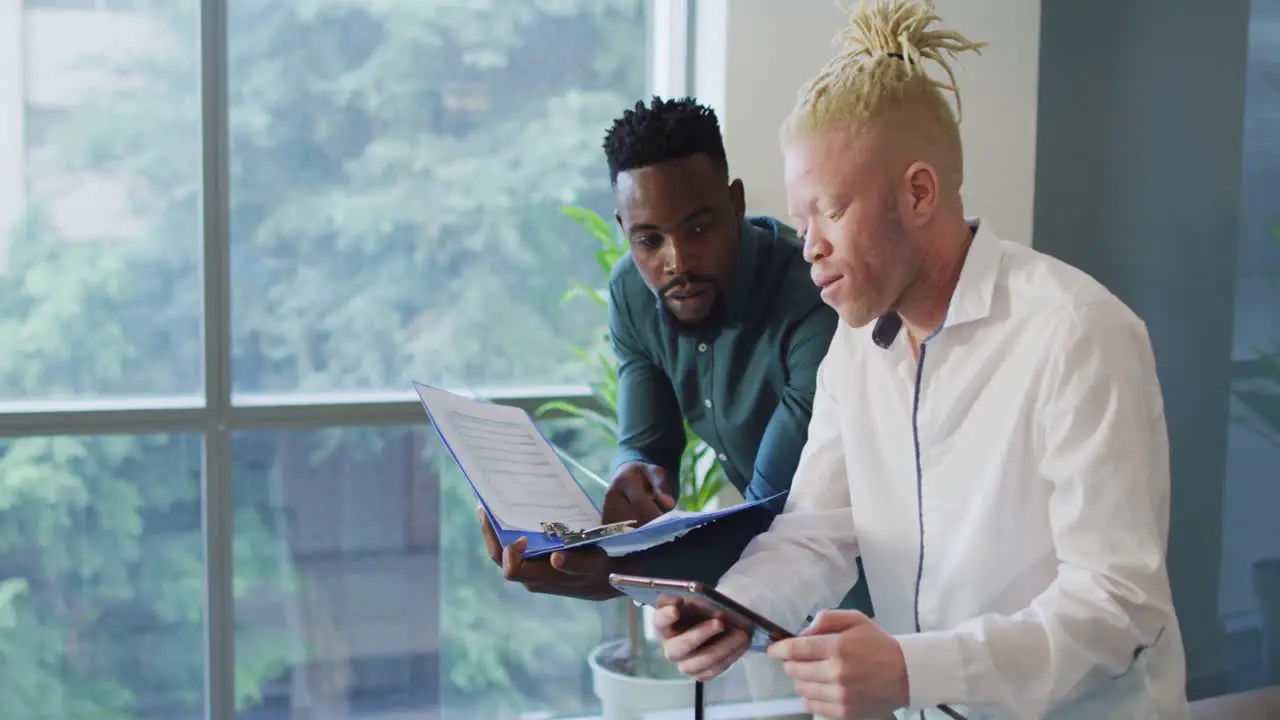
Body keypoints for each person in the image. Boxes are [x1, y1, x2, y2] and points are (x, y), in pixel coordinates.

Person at [652, 1, 1191, 718]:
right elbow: (821, 528)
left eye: (831, 210)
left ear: (918, 192)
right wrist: (732, 608)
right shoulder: (855, 349)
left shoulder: (1078, 333)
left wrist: (914, 670)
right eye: (800, 218)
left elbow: (1118, 604)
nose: (807, 245)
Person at [477, 96, 872, 616]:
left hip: (874, 575)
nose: (677, 261)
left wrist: (616, 576)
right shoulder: (633, 295)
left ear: (735, 203)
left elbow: (768, 512)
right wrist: (634, 480)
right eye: (649, 240)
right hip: (768, 589)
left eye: (700, 228)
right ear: (623, 230)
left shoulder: (813, 304)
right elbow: (645, 446)